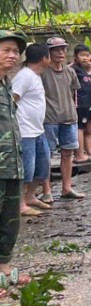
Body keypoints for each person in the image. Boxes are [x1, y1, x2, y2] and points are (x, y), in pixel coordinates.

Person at [0, 30, 31, 287]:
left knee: (10, 219)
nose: (12, 55)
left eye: (15, 51)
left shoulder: (6, 85)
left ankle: (4, 267)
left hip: (12, 164)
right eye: (6, 50)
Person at [40, 36, 83, 200]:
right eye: (56, 49)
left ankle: (67, 187)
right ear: (48, 52)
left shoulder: (70, 71)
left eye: (63, 49)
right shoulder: (42, 72)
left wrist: (75, 111)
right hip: (49, 118)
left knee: (68, 153)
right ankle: (46, 190)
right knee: (46, 154)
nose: (60, 52)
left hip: (69, 117)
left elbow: (74, 93)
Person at [11, 44, 50, 217]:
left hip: (37, 130)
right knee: (26, 169)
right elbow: (12, 99)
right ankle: (20, 205)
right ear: (44, 58)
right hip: (25, 131)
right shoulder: (24, 76)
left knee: (42, 166)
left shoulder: (35, 75)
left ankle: (30, 196)